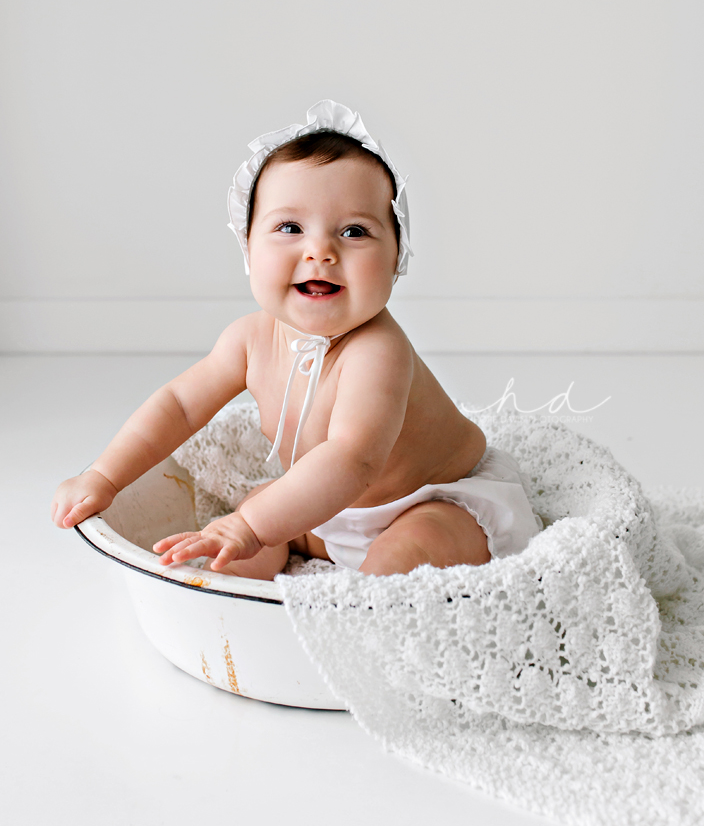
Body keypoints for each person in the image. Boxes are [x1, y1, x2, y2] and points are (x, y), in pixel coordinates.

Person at [50, 100, 541, 579]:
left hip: (430, 502)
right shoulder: (249, 340)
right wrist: (104, 476)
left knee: (407, 547)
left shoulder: (377, 351)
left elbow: (352, 458)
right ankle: (229, 594)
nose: (320, 251)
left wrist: (250, 526)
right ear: (248, 247)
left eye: (354, 231)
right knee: (250, 521)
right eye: (290, 227)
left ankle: (355, 609)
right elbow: (178, 406)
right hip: (325, 507)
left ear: (397, 258)